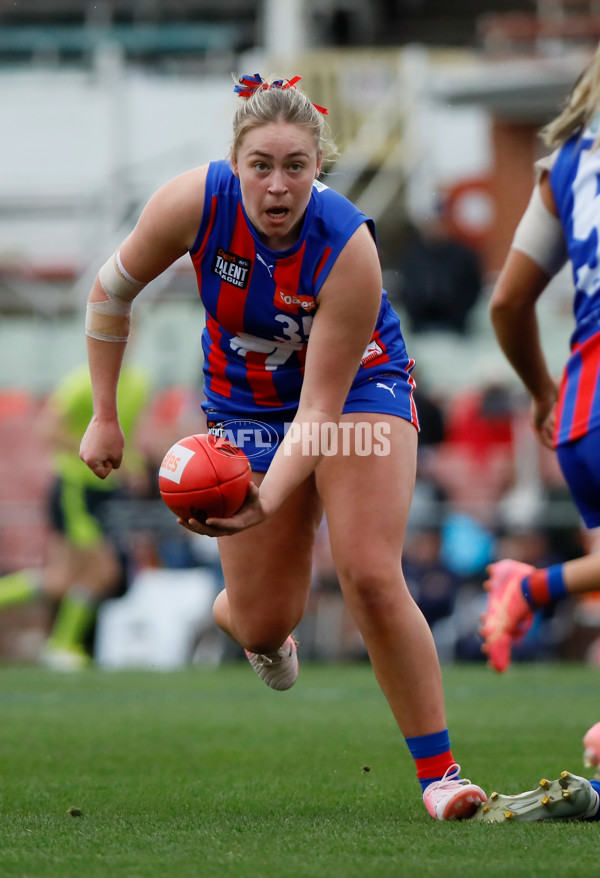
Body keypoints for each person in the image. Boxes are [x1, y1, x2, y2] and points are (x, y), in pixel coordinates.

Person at [79, 73, 486, 820]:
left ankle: (441, 774)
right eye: (260, 165)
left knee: (368, 571)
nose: (276, 185)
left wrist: (266, 498)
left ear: (318, 169)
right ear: (235, 165)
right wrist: (104, 414)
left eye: (295, 166)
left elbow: (322, 412)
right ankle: (254, 627)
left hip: (359, 391)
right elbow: (109, 292)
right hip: (242, 402)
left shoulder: (349, 247)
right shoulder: (192, 204)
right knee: (266, 620)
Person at [480, 43, 600, 673]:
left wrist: (544, 392)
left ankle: (525, 589)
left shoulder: (566, 167)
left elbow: (506, 304)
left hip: (581, 414)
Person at [0, 360, 149, 669]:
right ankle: (62, 645)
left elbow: (127, 437)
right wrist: (93, 449)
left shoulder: (139, 384)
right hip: (74, 489)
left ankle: (60, 645)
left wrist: (131, 464)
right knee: (102, 571)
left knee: (59, 581)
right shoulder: (82, 382)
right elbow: (48, 428)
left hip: (104, 492)